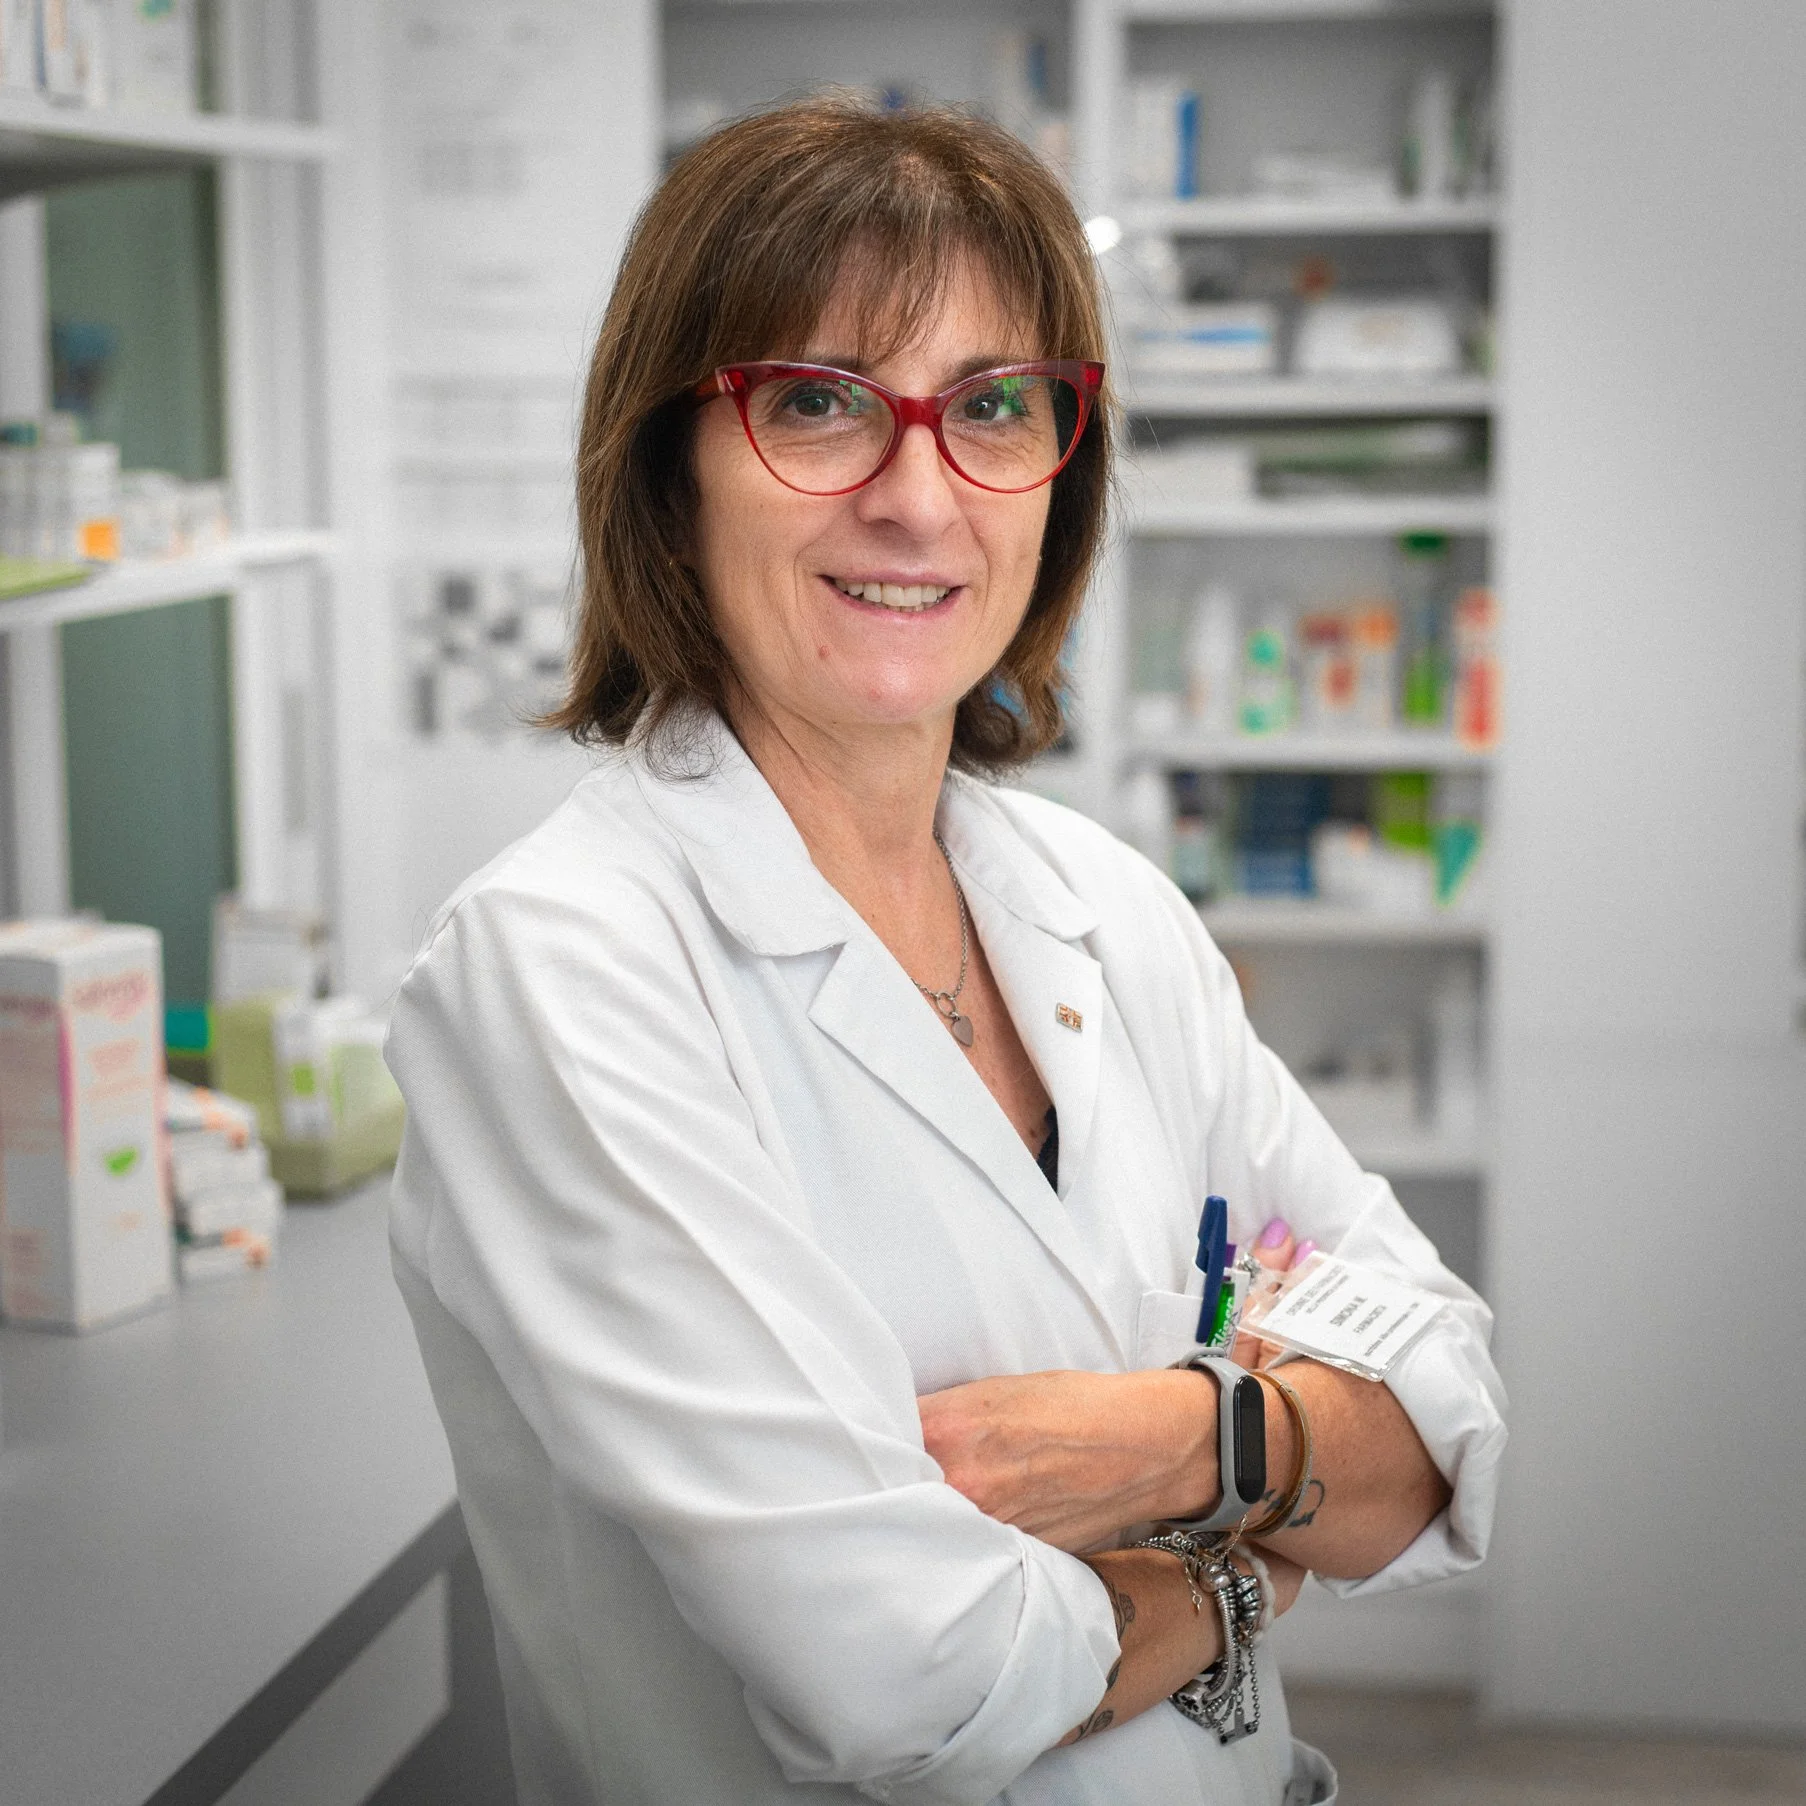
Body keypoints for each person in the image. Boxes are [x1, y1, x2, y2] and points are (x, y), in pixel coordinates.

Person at [385, 98, 1507, 1806]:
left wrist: (1174, 1441)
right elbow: (907, 1682)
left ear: (1061, 470)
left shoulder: (1097, 904)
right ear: (667, 463)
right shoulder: (563, 966)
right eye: (820, 402)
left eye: (991, 407)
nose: (918, 499)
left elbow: (1441, 1420)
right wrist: (1257, 1544)